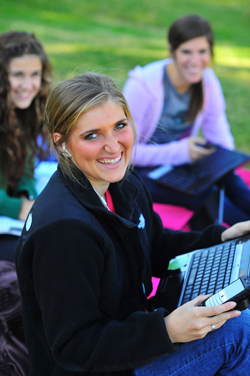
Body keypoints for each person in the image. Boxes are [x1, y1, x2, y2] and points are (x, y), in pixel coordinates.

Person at [15, 72, 250, 376]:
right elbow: (75, 347)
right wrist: (166, 330)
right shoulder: (64, 231)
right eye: (92, 135)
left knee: (238, 304)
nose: (113, 147)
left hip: (133, 333)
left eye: (120, 126)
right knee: (240, 331)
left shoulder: (120, 182)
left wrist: (221, 237)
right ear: (62, 144)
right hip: (99, 367)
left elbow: (154, 244)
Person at [123, 14, 250, 227]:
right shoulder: (141, 86)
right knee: (204, 192)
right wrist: (182, 151)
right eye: (186, 52)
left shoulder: (207, 81)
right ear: (171, 50)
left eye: (202, 52)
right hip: (140, 171)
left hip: (180, 163)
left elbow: (219, 133)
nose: (195, 61)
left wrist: (225, 163)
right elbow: (126, 152)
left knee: (231, 181)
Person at [0, 30, 52, 261]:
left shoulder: (23, 111)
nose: (28, 85)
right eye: (18, 74)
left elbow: (26, 169)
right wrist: (20, 209)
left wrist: (28, 196)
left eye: (35, 74)